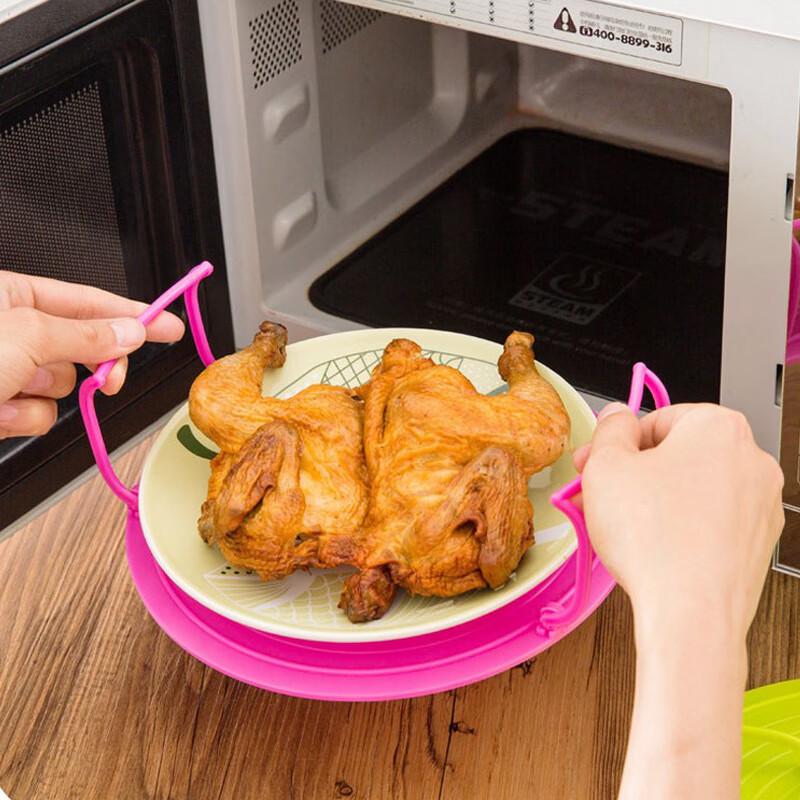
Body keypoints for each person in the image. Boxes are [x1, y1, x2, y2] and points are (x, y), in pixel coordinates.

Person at [0, 270, 785, 797]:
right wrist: (698, 616)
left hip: (357, 514)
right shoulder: (448, 419)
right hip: (393, 517)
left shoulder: (338, 414)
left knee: (237, 429)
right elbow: (544, 418)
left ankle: (353, 537)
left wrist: (270, 367)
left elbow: (223, 400)